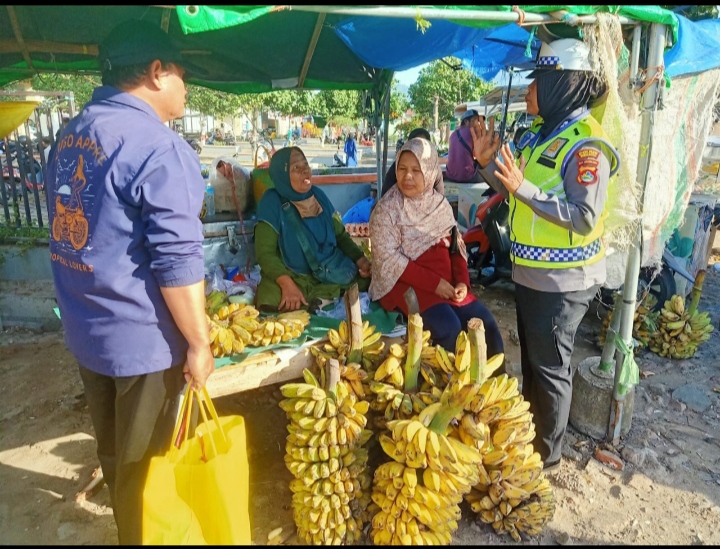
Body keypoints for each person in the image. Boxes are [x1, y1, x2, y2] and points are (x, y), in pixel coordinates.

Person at [45, 20, 213, 544]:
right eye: (183, 73)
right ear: (157, 72)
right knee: (147, 476)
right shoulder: (158, 147)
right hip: (143, 346)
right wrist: (200, 342)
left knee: (117, 457)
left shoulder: (69, 135)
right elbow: (177, 260)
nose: (187, 87)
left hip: (87, 333)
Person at [471, 38, 618, 473]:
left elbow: (584, 216)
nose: (529, 91)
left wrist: (525, 189)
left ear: (562, 84)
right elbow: (514, 192)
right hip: (531, 274)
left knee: (551, 368)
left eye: (539, 82)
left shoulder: (586, 144)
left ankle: (548, 459)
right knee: (535, 364)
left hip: (563, 280)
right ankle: (531, 443)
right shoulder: (541, 135)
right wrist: (487, 164)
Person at [369, 137, 504, 357]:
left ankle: (494, 380)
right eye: (402, 169)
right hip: (404, 284)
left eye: (416, 170)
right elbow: (389, 260)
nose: (408, 176)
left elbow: (456, 247)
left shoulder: (440, 205)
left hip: (446, 284)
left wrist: (462, 281)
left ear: (430, 171)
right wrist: (434, 284)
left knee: (485, 323)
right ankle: (448, 380)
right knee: (448, 327)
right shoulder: (386, 210)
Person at [254, 146, 372, 312]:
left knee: (371, 280)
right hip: (293, 275)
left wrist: (362, 261)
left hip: (330, 270)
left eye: (305, 165)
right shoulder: (271, 201)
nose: (305, 171)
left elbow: (340, 236)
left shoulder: (318, 196)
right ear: (281, 175)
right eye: (296, 168)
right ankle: (324, 299)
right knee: (269, 298)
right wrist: (286, 284)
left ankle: (320, 299)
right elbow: (265, 253)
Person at [381, 127, 444, 196]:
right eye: (415, 144)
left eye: (416, 170)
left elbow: (440, 193)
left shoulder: (434, 169)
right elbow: (385, 193)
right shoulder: (398, 165)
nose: (408, 176)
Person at [446, 108, 485, 183]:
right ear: (466, 122)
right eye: (474, 121)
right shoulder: (473, 132)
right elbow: (481, 154)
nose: (477, 124)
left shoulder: (453, 134)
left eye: (478, 121)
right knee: (490, 172)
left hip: (450, 176)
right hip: (466, 177)